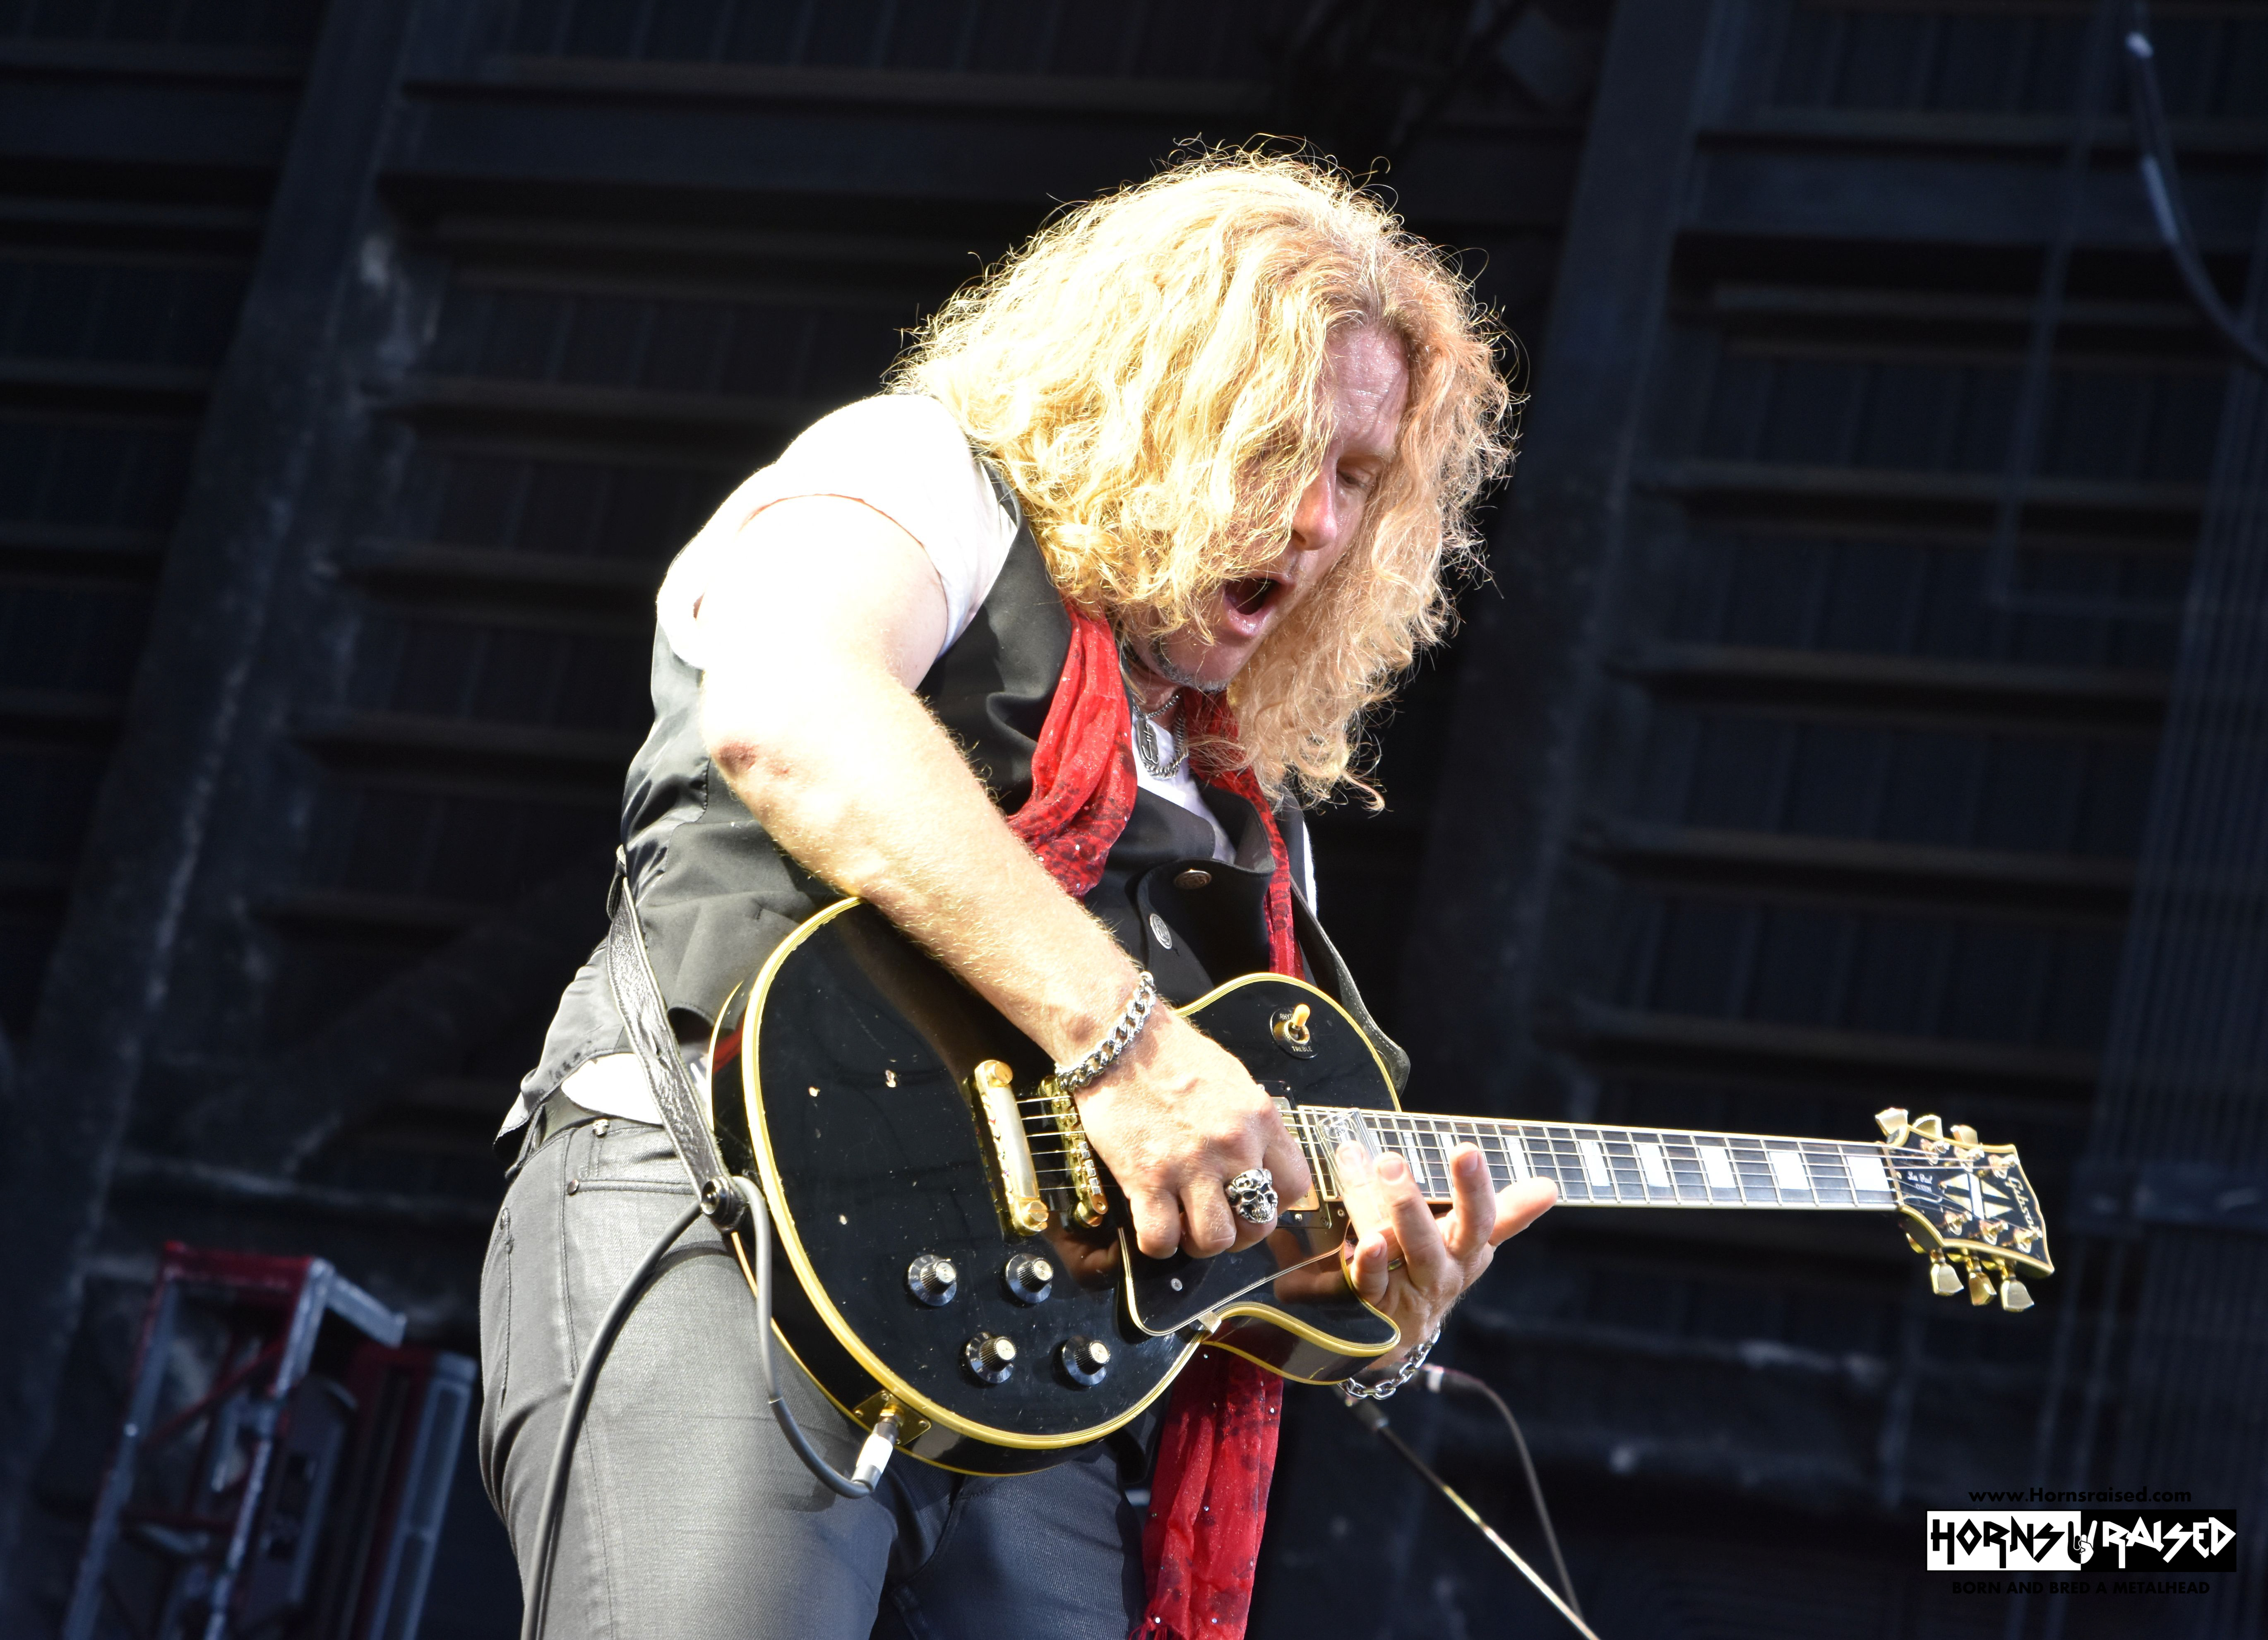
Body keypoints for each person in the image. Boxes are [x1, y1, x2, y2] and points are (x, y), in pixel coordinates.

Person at [478, 151, 1556, 1640]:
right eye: (1273, 448)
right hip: (722, 1219)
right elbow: (787, 709)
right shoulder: (922, 478)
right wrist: (1130, 1041)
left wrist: (1347, 1293)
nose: (1317, 521)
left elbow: (1206, 1199)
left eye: (1359, 477)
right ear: (1147, 405)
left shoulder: (1247, 816)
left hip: (1029, 1377)